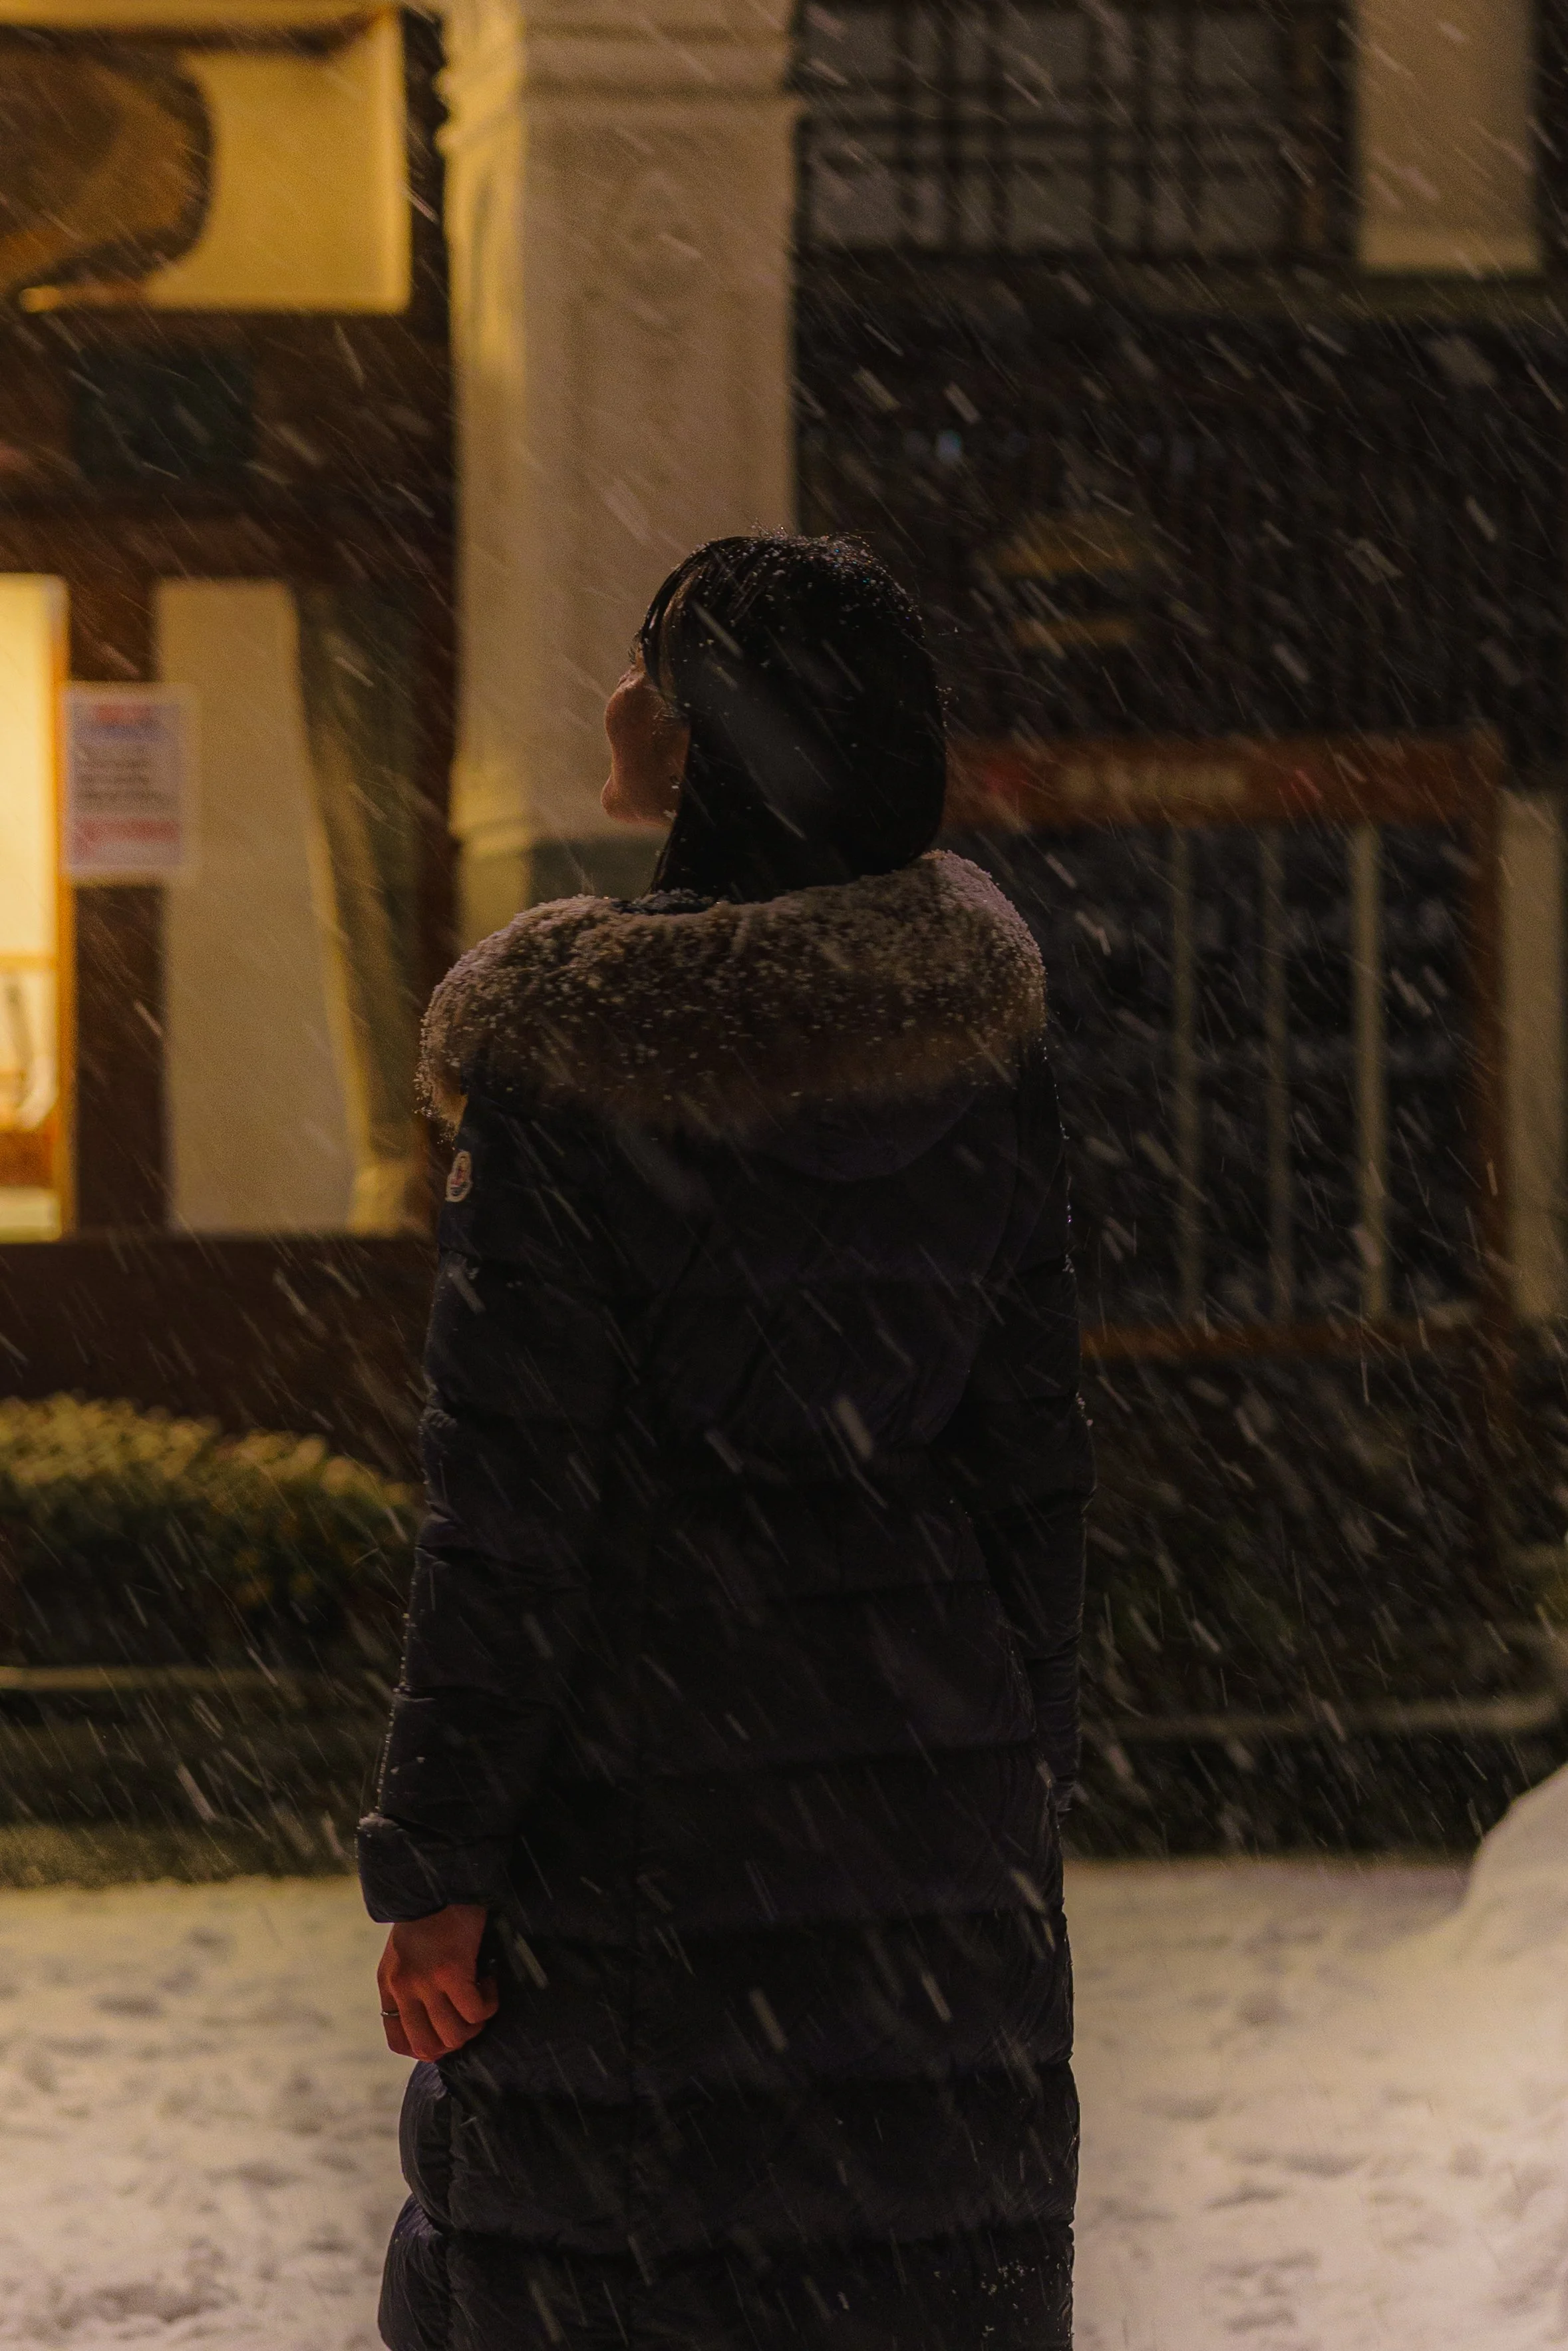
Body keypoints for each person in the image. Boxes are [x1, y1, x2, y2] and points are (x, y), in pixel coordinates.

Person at [359, 532, 1093, 2351]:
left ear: (706, 737)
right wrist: (998, 1777)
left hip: (634, 1809)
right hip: (926, 1813)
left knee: (618, 2275)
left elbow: (508, 1511)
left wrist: (438, 1862)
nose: (615, 699)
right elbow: (1032, 1469)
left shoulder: (562, 1068)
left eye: (649, 666)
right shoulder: (973, 1046)